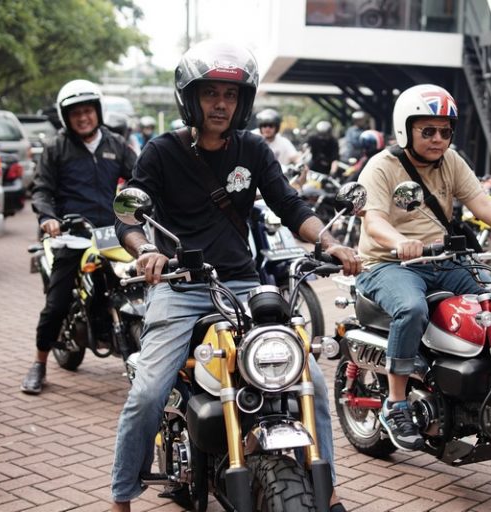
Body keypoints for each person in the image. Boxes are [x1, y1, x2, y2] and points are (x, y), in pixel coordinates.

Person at [110, 41, 359, 512]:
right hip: (179, 286)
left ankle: (326, 488)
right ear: (190, 98)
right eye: (210, 93)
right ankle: (122, 496)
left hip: (240, 285)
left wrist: (330, 243)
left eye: (230, 94)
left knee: (309, 381)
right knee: (147, 392)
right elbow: (128, 216)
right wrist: (146, 252)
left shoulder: (253, 148)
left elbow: (289, 205)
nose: (221, 104)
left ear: (243, 102)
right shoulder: (161, 152)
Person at [354, 84, 491, 451]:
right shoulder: (381, 167)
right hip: (389, 264)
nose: (438, 139)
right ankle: (396, 404)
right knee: (411, 308)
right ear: (406, 129)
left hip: (442, 261)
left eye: (445, 131)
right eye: (428, 131)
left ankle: (488, 386)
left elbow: (482, 204)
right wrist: (400, 241)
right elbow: (374, 221)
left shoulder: (451, 161)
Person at [21, 79, 136, 394]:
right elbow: (42, 189)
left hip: (111, 233)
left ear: (97, 111)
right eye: (76, 113)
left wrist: (141, 199)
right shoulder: (56, 147)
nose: (83, 118)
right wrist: (48, 218)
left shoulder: (115, 144)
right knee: (56, 303)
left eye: (88, 111)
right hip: (72, 235)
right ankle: (39, 364)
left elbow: (141, 178)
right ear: (66, 117)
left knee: (140, 283)